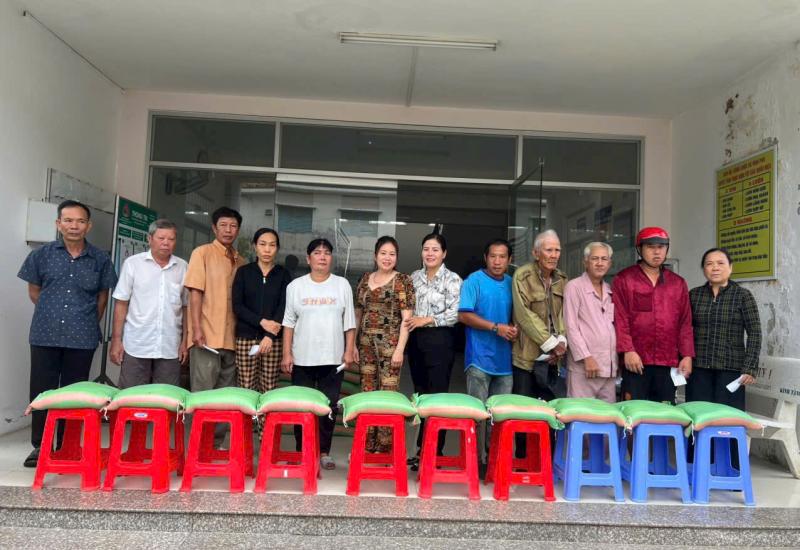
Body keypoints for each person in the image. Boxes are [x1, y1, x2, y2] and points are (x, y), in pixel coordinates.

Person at [17, 200, 117, 467]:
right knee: (42, 391)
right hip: (45, 333)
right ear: (58, 224)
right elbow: (34, 292)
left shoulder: (100, 259)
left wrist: (83, 321)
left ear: (89, 226)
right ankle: (40, 446)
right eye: (68, 220)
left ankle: (67, 444)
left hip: (82, 337)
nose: (74, 226)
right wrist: (53, 314)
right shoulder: (41, 255)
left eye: (80, 221)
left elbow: (102, 298)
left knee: (75, 394)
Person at [281, 238, 356, 470]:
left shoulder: (342, 285)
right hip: (302, 357)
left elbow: (349, 322)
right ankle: (302, 450)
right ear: (308, 258)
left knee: (328, 407)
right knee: (302, 406)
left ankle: (324, 452)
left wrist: (348, 350)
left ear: (331, 258)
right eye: (317, 252)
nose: (322, 257)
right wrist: (286, 354)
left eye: (326, 253)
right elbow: (288, 322)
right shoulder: (295, 287)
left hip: (332, 358)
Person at [184, 207, 245, 445]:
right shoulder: (202, 253)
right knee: (203, 394)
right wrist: (196, 329)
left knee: (224, 396)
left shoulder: (241, 260)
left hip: (232, 338)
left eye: (233, 226)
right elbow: (195, 294)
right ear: (214, 228)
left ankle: (216, 443)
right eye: (223, 225)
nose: (228, 230)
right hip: (206, 337)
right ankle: (198, 444)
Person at [612, 227, 693, 403]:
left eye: (661, 247)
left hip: (667, 360)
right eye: (650, 247)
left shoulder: (677, 283)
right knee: (634, 411)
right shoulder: (624, 279)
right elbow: (620, 318)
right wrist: (628, 350)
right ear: (639, 249)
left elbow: (685, 322)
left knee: (664, 412)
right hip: (636, 360)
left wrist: (687, 355)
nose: (657, 252)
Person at [404, 233, 462, 469]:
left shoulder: (453, 279)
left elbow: (456, 313)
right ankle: (421, 449)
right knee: (421, 395)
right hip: (416, 341)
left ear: (444, 253)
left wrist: (427, 319)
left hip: (440, 339)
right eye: (426, 249)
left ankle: (434, 451)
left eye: (435, 249)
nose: (430, 253)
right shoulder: (413, 278)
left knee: (437, 396)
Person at [458, 238, 517, 467]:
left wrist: (514, 328)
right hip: (479, 359)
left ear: (510, 260)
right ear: (486, 258)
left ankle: (495, 464)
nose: (497, 261)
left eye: (502, 257)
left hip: (505, 362)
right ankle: (475, 464)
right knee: (478, 415)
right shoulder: (474, 281)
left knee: (500, 417)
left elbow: (519, 315)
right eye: (493, 256)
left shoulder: (512, 283)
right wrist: (495, 327)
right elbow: (464, 315)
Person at [110, 219, 188, 389]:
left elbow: (186, 307)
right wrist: (116, 340)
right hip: (137, 342)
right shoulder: (133, 264)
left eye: (171, 239)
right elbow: (121, 303)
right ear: (150, 239)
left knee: (166, 396)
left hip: (170, 345)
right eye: (161, 238)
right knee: (131, 395)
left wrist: (185, 341)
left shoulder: (182, 267)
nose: (166, 243)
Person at [354, 236, 415, 453]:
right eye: (383, 253)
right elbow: (358, 314)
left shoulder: (403, 281)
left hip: (391, 347)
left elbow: (407, 319)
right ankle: (366, 444)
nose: (387, 258)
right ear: (375, 256)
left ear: (396, 257)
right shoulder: (364, 279)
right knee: (367, 392)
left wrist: (400, 350)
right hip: (365, 346)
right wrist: (352, 344)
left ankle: (385, 447)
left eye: (392, 254)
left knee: (388, 395)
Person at [687, 248, 761, 409]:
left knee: (727, 417)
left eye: (720, 263)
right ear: (704, 269)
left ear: (730, 267)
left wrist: (749, 368)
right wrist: (684, 358)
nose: (715, 268)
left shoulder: (742, 296)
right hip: (699, 368)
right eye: (709, 264)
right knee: (698, 414)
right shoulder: (694, 295)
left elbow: (755, 332)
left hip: (731, 369)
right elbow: (684, 329)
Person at [232, 228, 292, 394]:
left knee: (269, 387)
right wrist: (262, 322)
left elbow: (285, 307)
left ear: (277, 248)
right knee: (245, 386)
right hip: (246, 338)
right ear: (255, 246)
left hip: (273, 340)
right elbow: (238, 306)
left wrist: (270, 335)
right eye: (262, 244)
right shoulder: (244, 272)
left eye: (272, 245)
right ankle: (247, 413)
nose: (267, 249)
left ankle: (266, 414)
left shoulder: (283, 274)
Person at [512, 229, 568, 403]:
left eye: (557, 250)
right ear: (536, 253)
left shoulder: (562, 279)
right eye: (549, 250)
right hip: (527, 357)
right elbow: (524, 315)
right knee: (523, 411)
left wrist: (561, 341)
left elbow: (564, 313)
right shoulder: (522, 276)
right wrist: (551, 344)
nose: (554, 255)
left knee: (550, 410)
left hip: (553, 359)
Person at [563, 242, 617, 403]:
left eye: (604, 259)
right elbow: (570, 326)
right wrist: (586, 357)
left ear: (609, 263)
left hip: (608, 368)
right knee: (580, 413)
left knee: (607, 415)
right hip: (584, 368)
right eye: (595, 258)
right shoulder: (574, 287)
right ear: (585, 262)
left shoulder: (609, 289)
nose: (600, 263)